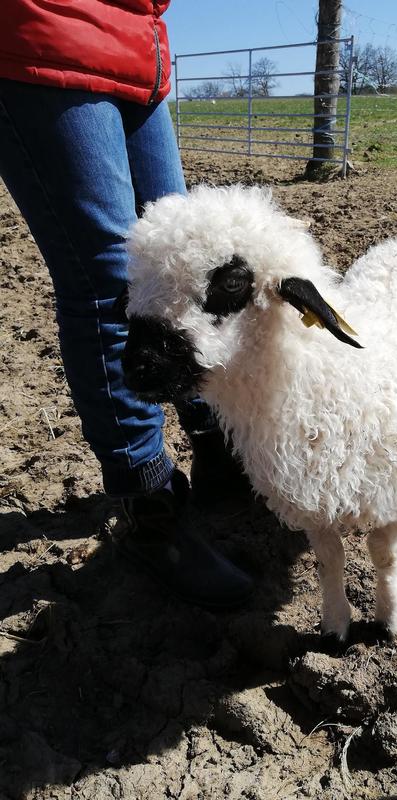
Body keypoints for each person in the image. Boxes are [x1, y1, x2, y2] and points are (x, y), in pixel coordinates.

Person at [0, 0, 253, 608]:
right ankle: (149, 506)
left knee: (183, 264)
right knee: (108, 285)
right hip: (41, 35)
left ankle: (215, 446)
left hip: (137, 45)